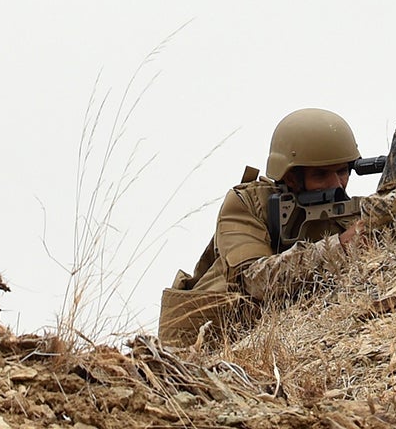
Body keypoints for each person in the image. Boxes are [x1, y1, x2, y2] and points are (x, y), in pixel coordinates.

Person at [159, 107, 379, 347]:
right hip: (209, 341)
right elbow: (254, 280)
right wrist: (340, 248)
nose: (337, 184)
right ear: (291, 177)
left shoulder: (348, 212)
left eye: (342, 171)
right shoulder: (248, 204)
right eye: (321, 175)